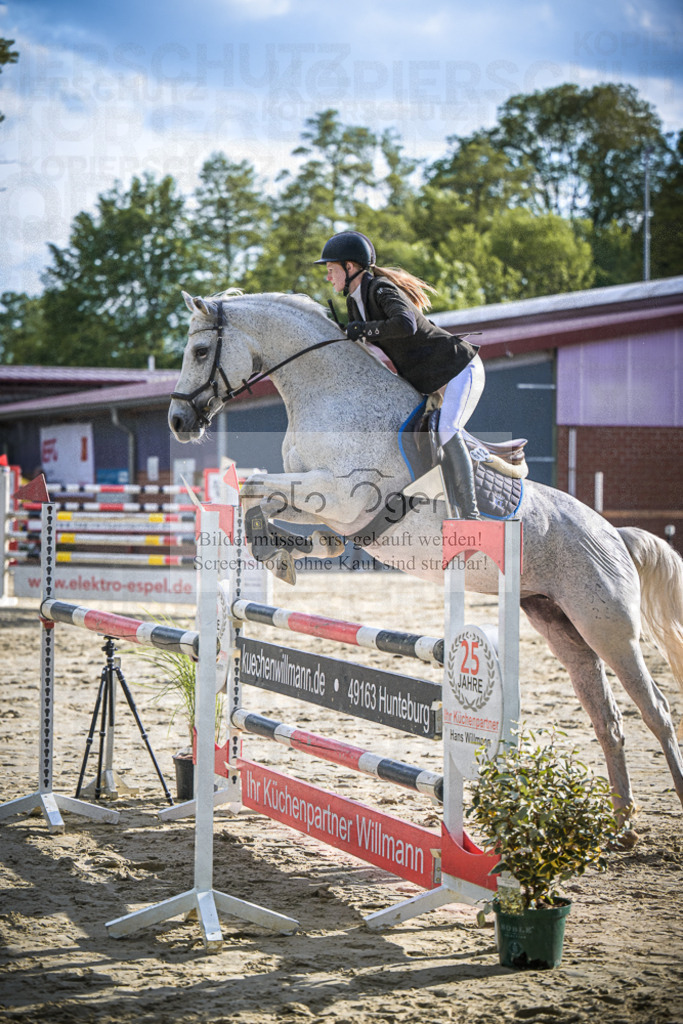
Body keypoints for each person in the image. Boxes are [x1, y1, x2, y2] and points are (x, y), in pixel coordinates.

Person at [315, 230, 485, 519]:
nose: (328, 277)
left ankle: (471, 515)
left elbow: (406, 324)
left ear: (350, 267)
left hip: (459, 369)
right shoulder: (354, 302)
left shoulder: (380, 288)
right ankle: (432, 502)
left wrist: (365, 330)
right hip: (428, 382)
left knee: (447, 430)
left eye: (331, 270)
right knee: (409, 435)